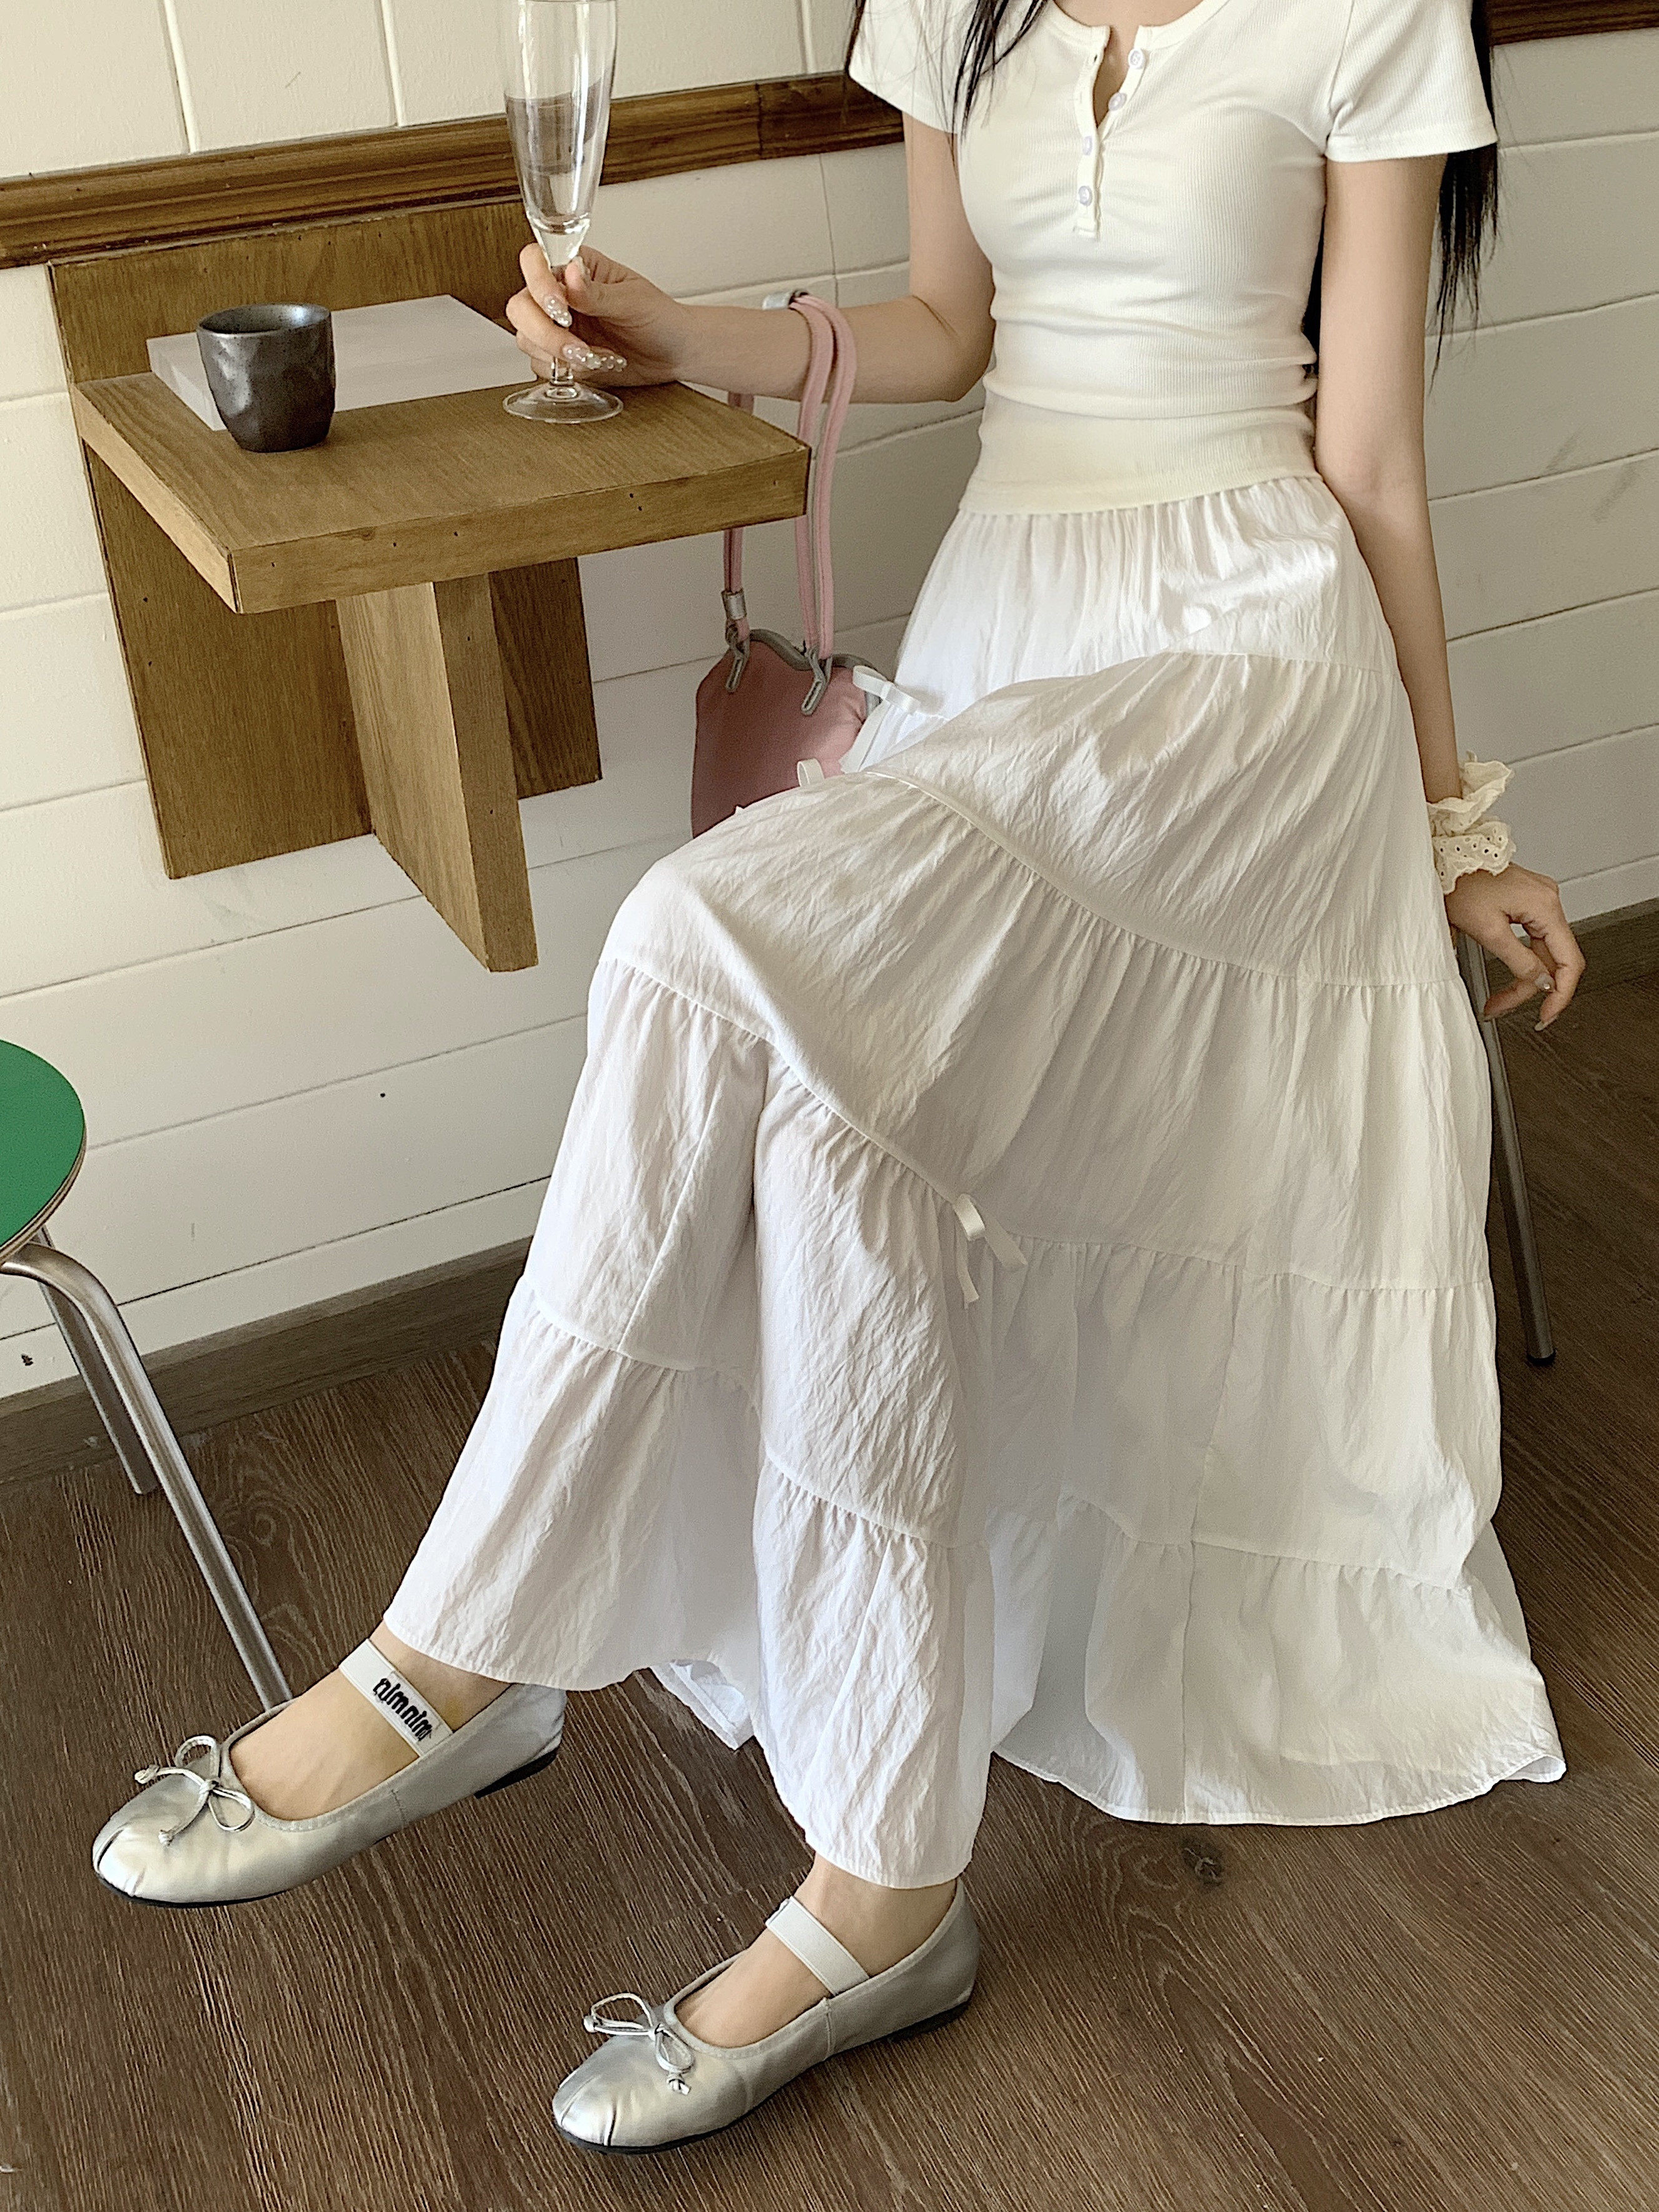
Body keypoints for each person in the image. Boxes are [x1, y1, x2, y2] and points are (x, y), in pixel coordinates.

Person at [93, 0, 1584, 2155]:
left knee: (699, 935)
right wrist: (677, 337)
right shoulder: (956, 9)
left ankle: (458, 1652)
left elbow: (1369, 471)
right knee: (828, 1103)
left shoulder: (1370, 12)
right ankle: (884, 1877)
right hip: (1009, 627)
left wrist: (1451, 827)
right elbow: (948, 333)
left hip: (1247, 662)